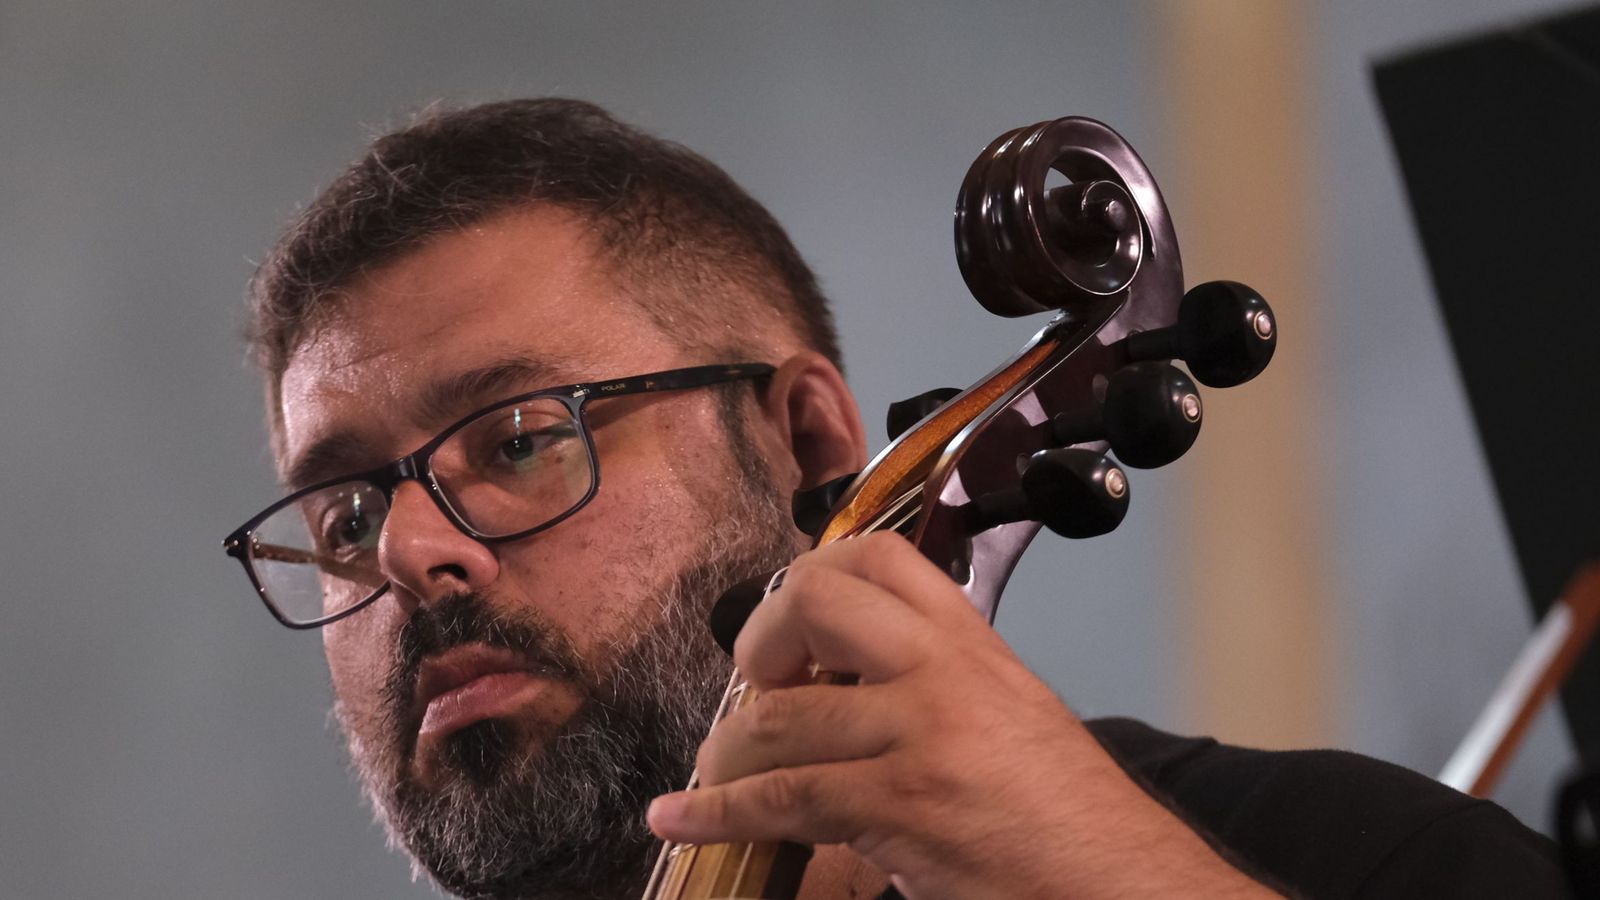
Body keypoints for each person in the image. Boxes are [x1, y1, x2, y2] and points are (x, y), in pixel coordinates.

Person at [224, 98, 1567, 899]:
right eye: (342, 516)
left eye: (518, 437)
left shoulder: (1364, 861)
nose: (406, 551)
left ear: (807, 440)